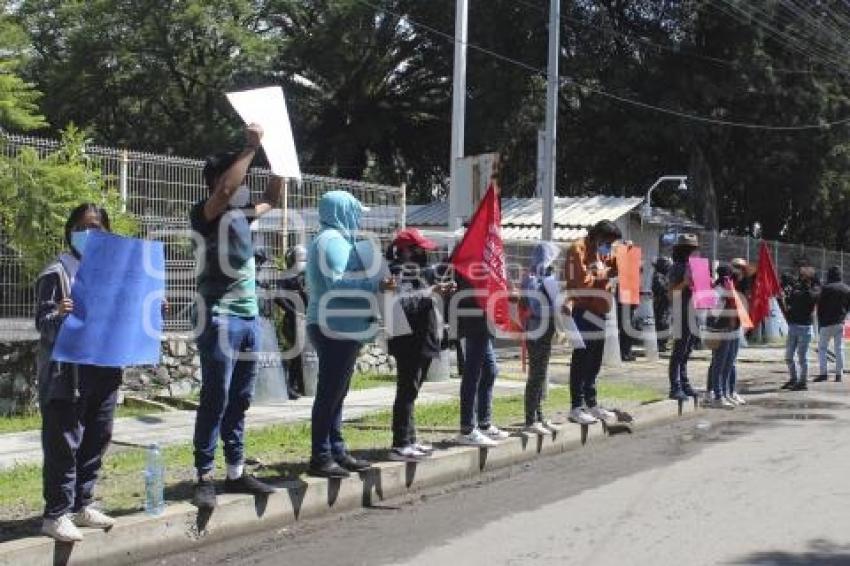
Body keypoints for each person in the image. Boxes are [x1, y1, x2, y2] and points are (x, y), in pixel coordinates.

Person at [190, 124, 279, 510]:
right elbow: (226, 190)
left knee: (240, 396)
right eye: (239, 173)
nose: (243, 184)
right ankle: (204, 475)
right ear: (217, 179)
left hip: (248, 318)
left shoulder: (242, 215)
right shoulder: (205, 214)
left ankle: (236, 470)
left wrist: (280, 164)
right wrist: (250, 147)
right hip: (220, 318)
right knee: (216, 395)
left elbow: (272, 199)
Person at [36, 204, 122, 541]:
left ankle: (81, 504)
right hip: (67, 375)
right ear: (71, 230)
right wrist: (58, 313)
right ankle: (55, 514)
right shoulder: (56, 272)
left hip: (103, 369)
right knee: (64, 442)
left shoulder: (114, 273)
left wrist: (150, 308)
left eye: (98, 228)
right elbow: (42, 325)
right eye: (85, 227)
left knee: (97, 437)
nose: (91, 234)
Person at [306, 190, 394, 478]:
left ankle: (336, 449)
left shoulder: (338, 240)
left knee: (337, 393)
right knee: (329, 393)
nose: (358, 219)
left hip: (342, 327)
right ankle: (321, 456)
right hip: (334, 328)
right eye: (355, 212)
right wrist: (376, 286)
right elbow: (338, 285)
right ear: (343, 212)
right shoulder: (331, 241)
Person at [385, 229, 454, 462]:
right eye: (418, 248)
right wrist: (430, 292)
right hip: (408, 340)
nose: (423, 252)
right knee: (406, 390)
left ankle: (410, 439)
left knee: (412, 391)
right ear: (404, 250)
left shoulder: (416, 271)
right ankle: (400, 443)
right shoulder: (397, 271)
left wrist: (438, 291)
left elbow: (422, 295)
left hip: (421, 338)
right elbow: (402, 302)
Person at [564, 220, 623, 425]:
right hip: (583, 309)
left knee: (595, 359)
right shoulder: (577, 249)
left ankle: (591, 402)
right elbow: (582, 282)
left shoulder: (604, 250)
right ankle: (576, 406)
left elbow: (615, 265)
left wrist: (625, 256)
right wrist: (604, 272)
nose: (609, 247)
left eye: (611, 243)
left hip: (600, 309)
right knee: (582, 357)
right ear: (597, 236)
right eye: (607, 242)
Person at [521, 241, 561, 435]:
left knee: (541, 374)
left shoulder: (547, 277)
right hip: (537, 329)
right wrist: (557, 307)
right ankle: (530, 419)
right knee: (536, 375)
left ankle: (539, 416)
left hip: (545, 329)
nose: (553, 263)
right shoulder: (532, 278)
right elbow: (536, 306)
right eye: (550, 259)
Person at [667, 233, 701, 402]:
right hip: (681, 313)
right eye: (690, 250)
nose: (693, 253)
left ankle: (685, 383)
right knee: (679, 351)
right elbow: (671, 294)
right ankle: (675, 386)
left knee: (687, 351)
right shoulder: (677, 268)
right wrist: (685, 283)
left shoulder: (696, 266)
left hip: (694, 312)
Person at [706, 265, 743, 409]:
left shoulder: (729, 290)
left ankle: (725, 392)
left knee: (728, 363)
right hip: (720, 331)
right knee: (718, 364)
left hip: (731, 330)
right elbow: (714, 312)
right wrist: (724, 297)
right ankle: (717, 395)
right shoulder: (717, 291)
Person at [779, 266, 820, 391]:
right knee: (789, 356)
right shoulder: (797, 290)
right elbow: (789, 304)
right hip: (794, 326)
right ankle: (794, 379)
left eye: (803, 276)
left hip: (804, 328)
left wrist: (804, 288)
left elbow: (810, 299)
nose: (800, 278)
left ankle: (802, 382)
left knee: (802, 357)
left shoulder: (813, 291)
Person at [276, 245, 309, 397]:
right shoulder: (286, 276)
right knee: (295, 353)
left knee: (307, 354)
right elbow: (278, 297)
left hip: (308, 319)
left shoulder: (308, 275)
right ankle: (290, 386)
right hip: (292, 321)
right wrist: (293, 311)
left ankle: (304, 385)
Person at [814, 266, 850, 383]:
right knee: (839, 348)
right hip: (840, 322)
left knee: (823, 348)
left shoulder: (825, 289)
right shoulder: (846, 289)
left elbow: (819, 308)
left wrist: (820, 322)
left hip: (825, 323)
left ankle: (823, 374)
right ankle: (839, 375)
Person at [651, 257, 672, 352]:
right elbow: (661, 288)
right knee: (661, 323)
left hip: (665, 302)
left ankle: (663, 343)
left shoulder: (664, 276)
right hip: (660, 303)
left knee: (665, 322)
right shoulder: (658, 276)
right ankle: (660, 343)